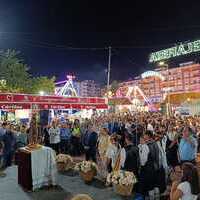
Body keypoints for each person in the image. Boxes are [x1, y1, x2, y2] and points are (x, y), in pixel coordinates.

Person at [138, 130, 160, 199]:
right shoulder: (155, 143)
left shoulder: (147, 145)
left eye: (145, 135)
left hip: (149, 167)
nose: (144, 136)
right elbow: (157, 156)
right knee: (155, 184)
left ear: (148, 136)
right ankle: (157, 198)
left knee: (150, 185)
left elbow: (144, 160)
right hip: (155, 166)